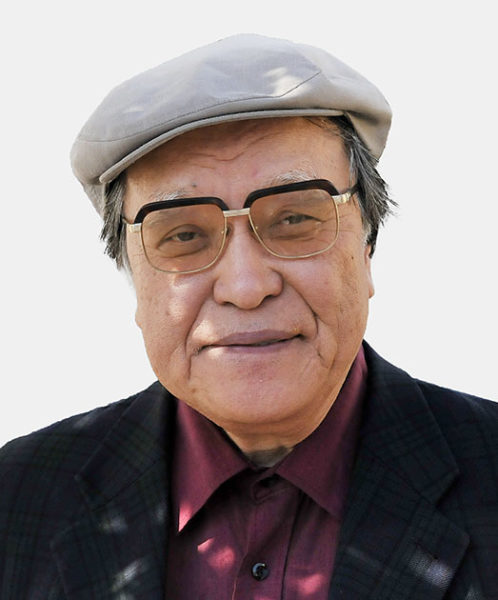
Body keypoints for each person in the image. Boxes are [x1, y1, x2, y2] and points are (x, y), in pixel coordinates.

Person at [1, 33, 497, 600]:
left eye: (294, 220)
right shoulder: (19, 496)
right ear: (133, 278)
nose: (245, 287)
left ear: (367, 247)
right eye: (183, 235)